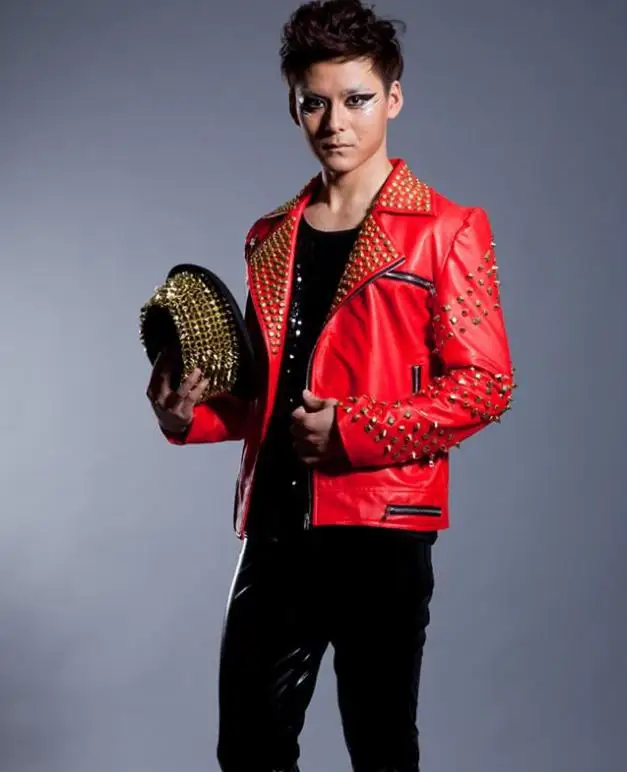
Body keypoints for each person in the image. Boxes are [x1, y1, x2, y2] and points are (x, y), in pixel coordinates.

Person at [146, 1, 515, 769]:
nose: (335, 122)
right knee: (248, 747)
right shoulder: (269, 235)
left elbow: (485, 384)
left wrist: (352, 429)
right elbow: (260, 395)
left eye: (356, 99)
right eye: (314, 102)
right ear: (293, 105)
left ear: (393, 98)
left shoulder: (446, 229)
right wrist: (187, 414)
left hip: (381, 531)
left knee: (379, 746)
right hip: (276, 527)